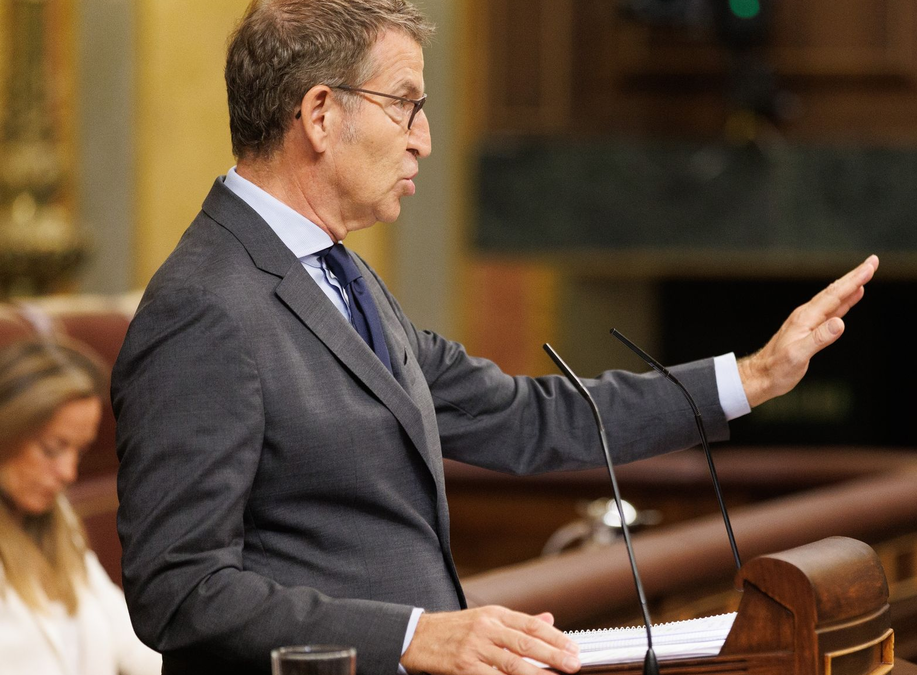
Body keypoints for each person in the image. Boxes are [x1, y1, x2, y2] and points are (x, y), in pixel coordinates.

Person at [110, 1, 878, 674]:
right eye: (405, 104)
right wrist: (414, 635)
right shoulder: (203, 305)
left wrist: (752, 377)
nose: (425, 139)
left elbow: (523, 417)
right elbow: (180, 590)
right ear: (319, 114)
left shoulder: (338, 271)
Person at [0, 340, 161, 675]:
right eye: (51, 448)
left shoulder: (59, 523)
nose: (69, 473)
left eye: (80, 451)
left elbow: (137, 651)